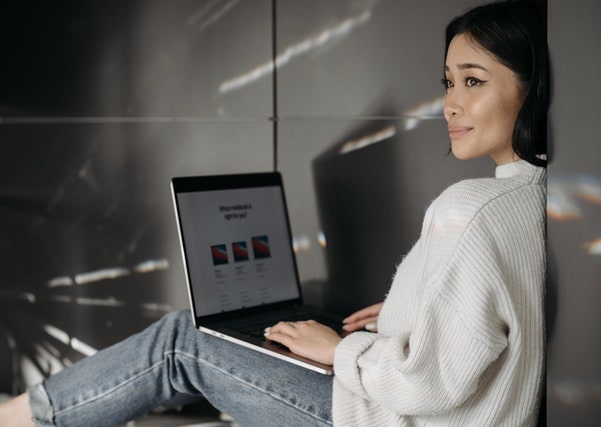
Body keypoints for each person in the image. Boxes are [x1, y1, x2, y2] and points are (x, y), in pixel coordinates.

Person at [0, 1, 548, 425]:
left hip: (384, 416)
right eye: (449, 81)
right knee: (250, 330)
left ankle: (19, 417)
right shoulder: (527, 197)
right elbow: (478, 334)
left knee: (180, 342)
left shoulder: (470, 209)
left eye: (474, 81)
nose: (451, 102)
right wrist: (411, 311)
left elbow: (430, 384)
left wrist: (340, 350)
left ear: (529, 89)